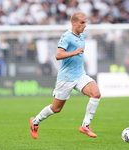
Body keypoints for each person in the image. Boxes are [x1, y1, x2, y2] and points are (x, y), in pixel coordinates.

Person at [29, 11, 101, 139]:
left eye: (85, 22)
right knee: (56, 109)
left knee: (96, 94)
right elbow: (58, 55)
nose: (85, 25)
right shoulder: (66, 36)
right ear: (74, 23)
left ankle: (85, 125)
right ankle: (35, 122)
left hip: (80, 74)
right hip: (66, 78)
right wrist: (74, 52)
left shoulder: (81, 35)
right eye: (82, 23)